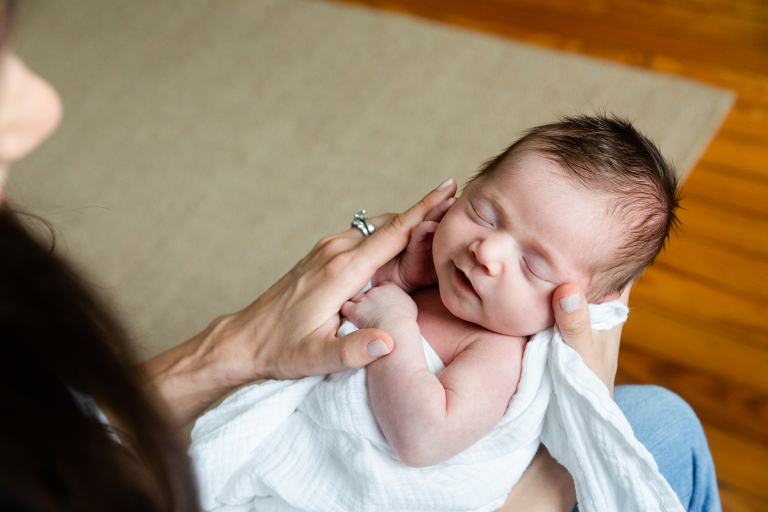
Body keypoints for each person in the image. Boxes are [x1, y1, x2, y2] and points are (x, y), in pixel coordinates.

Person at [0, 0, 719, 510]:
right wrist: (392, 286)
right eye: (484, 211)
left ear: (581, 306)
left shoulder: (501, 355)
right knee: (667, 428)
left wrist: (394, 316)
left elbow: (425, 436)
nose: (488, 251)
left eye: (534, 265)